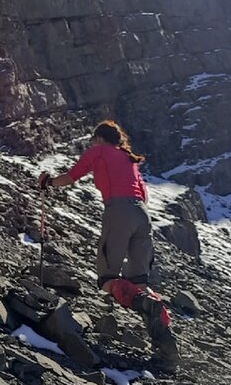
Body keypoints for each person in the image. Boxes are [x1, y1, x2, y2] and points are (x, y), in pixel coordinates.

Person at [37, 120, 181, 371]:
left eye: (93, 139)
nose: (91, 144)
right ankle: (166, 348)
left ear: (100, 138)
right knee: (139, 283)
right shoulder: (129, 160)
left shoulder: (99, 151)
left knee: (107, 278)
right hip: (142, 215)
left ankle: (147, 307)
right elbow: (143, 195)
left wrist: (48, 182)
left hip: (119, 211)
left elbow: (72, 177)